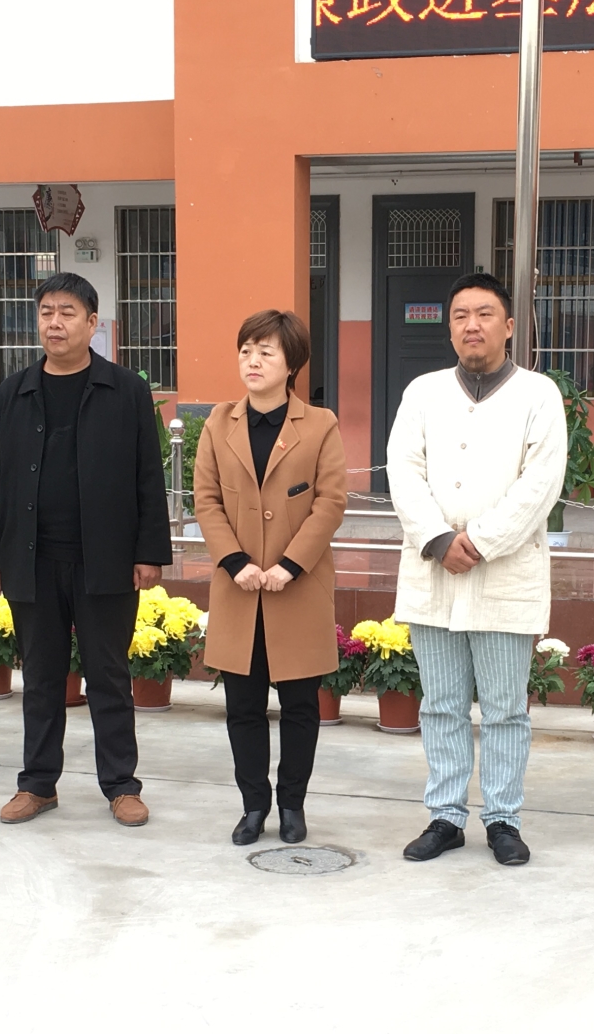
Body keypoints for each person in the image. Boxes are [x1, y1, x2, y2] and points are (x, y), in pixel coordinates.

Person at [387, 272, 566, 867]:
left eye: (485, 314)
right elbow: (402, 470)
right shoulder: (423, 392)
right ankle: (445, 815)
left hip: (505, 576)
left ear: (509, 326)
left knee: (505, 709)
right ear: (449, 328)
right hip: (433, 572)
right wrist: (438, 539)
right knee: (440, 704)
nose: (472, 325)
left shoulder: (538, 395)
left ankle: (503, 818)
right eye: (461, 315)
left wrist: (481, 542)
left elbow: (541, 484)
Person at [0, 273, 170, 829]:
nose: (55, 323)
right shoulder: (14, 391)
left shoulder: (125, 389)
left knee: (108, 675)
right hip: (31, 557)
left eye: (67, 312)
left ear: (92, 323)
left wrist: (149, 551)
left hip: (104, 558)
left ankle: (121, 786)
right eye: (46, 312)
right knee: (40, 677)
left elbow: (148, 476)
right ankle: (38, 784)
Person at [193, 309, 348, 846]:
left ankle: (293, 805)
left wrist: (291, 564)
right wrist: (235, 561)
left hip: (297, 587)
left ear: (291, 363)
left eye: (266, 352)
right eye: (246, 351)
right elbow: (206, 501)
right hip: (238, 588)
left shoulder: (320, 424)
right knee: (243, 707)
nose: (252, 361)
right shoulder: (219, 423)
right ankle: (253, 805)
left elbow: (330, 502)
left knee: (301, 707)